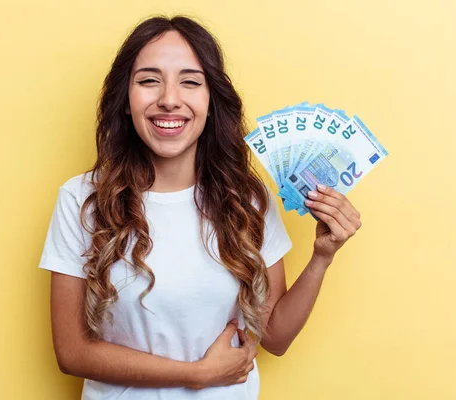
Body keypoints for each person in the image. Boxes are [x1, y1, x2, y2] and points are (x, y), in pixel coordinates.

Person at [38, 15, 362, 400]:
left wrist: (322, 257)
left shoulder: (248, 200)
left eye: (190, 81)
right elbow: (72, 353)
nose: (170, 98)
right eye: (148, 80)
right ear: (125, 101)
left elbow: (274, 337)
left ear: (211, 102)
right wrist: (196, 374)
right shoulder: (81, 200)